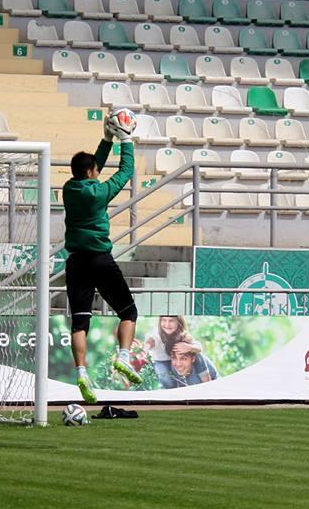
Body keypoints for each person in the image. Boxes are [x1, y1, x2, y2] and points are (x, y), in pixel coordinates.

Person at [63, 115, 142, 404]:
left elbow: (92, 166)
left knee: (79, 323)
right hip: (100, 259)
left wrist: (106, 140)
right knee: (128, 313)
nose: (98, 171)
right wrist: (125, 139)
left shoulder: (69, 189)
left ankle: (82, 374)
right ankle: (123, 356)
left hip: (76, 262)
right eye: (96, 169)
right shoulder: (100, 192)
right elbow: (125, 170)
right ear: (91, 173)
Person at [142, 316, 201, 389]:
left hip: (176, 359)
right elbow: (150, 342)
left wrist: (189, 347)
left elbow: (198, 346)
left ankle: (185, 387)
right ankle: (171, 391)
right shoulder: (157, 334)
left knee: (196, 357)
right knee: (166, 379)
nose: (167, 324)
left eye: (171, 321)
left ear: (178, 322)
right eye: (164, 320)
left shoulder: (181, 333)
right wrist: (144, 351)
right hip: (160, 361)